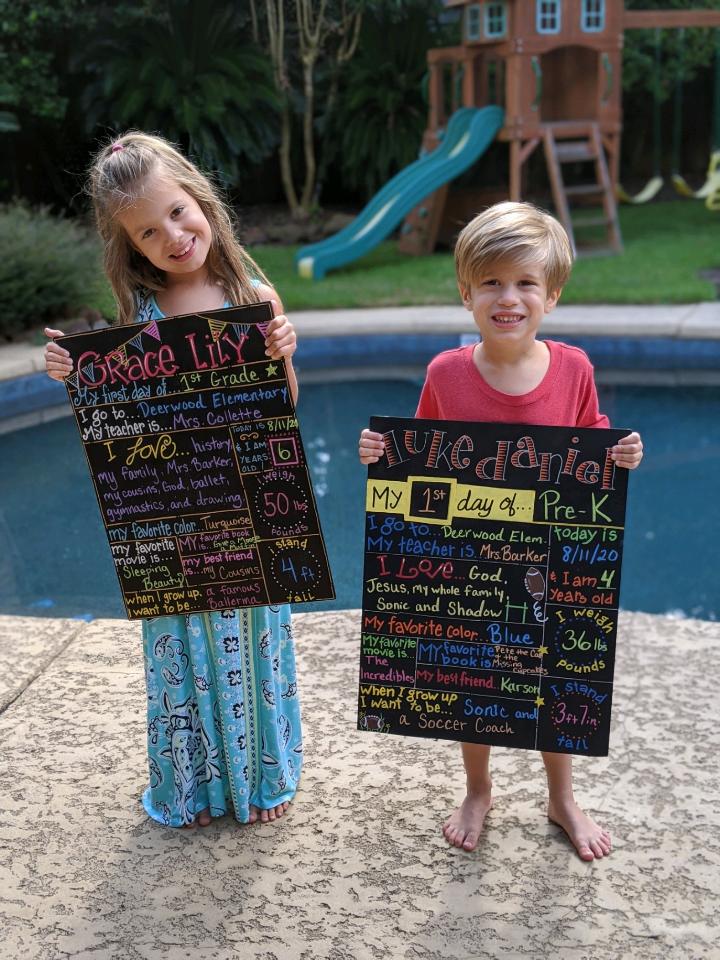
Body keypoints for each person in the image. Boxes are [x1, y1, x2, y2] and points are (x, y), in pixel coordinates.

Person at [358, 201, 644, 862]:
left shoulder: (575, 368)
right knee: (473, 684)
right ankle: (479, 788)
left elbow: (591, 441)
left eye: (524, 283)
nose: (507, 297)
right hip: (472, 565)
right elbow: (420, 457)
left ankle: (561, 796)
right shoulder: (445, 374)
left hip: (554, 558)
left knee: (558, 684)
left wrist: (619, 454)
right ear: (466, 293)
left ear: (553, 295)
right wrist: (381, 454)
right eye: (490, 282)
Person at [44, 131, 301, 829]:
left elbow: (284, 407)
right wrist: (75, 374)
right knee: (180, 655)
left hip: (246, 507)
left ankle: (260, 782)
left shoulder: (255, 296)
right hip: (172, 518)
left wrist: (280, 352)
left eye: (178, 213)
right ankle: (189, 788)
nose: (173, 236)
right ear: (131, 246)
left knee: (252, 643)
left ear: (202, 200)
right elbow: (120, 417)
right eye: (149, 232)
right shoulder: (139, 317)